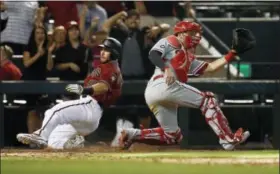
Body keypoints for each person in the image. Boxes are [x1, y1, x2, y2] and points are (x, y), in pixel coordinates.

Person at [119, 21, 251, 150]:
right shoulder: (172, 40)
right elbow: (153, 54)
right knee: (207, 100)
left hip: (154, 92)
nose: (196, 36)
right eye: (192, 33)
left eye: (197, 33)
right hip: (164, 84)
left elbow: (211, 67)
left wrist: (232, 53)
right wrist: (166, 68)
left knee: (172, 136)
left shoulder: (188, 56)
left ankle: (132, 134)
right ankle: (228, 139)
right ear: (181, 33)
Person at [16, 37, 123, 149]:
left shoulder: (111, 69)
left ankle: (40, 135)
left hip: (91, 106)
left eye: (106, 50)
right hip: (91, 118)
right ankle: (77, 144)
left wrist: (84, 90)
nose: (102, 52)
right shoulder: (107, 67)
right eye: (102, 49)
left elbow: (104, 86)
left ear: (114, 53)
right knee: (54, 141)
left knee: (55, 111)